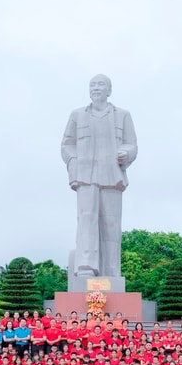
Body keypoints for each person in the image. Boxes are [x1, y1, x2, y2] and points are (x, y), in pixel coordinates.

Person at [61, 74, 138, 278]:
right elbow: (67, 145)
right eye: (92, 85)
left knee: (111, 225)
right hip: (86, 175)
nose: (96, 88)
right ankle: (85, 267)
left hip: (112, 175)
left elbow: (132, 144)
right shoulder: (77, 115)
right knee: (86, 220)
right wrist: (75, 162)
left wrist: (127, 153)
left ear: (109, 90)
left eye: (101, 84)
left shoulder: (123, 115)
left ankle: (112, 271)